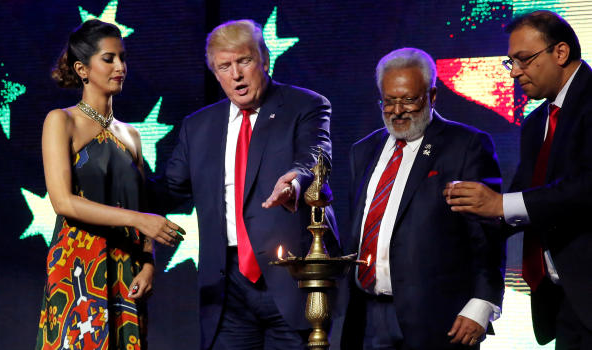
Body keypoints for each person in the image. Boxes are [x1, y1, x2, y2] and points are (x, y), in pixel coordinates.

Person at [160, 19, 340, 349]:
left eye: (244, 61)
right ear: (216, 74)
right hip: (227, 287)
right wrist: (117, 176)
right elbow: (169, 190)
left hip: (290, 275)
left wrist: (295, 183)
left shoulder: (306, 105)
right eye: (224, 67)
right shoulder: (198, 126)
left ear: (264, 60)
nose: (236, 75)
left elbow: (315, 158)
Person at [444, 10, 592, 349]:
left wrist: (499, 203)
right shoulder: (537, 121)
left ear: (560, 52)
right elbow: (517, 203)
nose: (514, 73)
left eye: (524, 60)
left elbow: (587, 187)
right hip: (566, 301)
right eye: (509, 62)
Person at [340, 48, 505, 350]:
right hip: (366, 315)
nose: (397, 110)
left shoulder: (465, 145)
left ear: (432, 96)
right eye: (389, 100)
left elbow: (488, 233)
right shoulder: (363, 151)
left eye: (408, 99)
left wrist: (482, 303)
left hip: (438, 318)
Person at [35, 20, 182, 350]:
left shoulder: (131, 135)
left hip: (127, 273)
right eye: (109, 58)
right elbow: (63, 202)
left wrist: (148, 263)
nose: (121, 67)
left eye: (123, 58)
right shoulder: (61, 121)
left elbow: (143, 208)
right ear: (82, 69)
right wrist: (137, 220)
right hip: (76, 271)